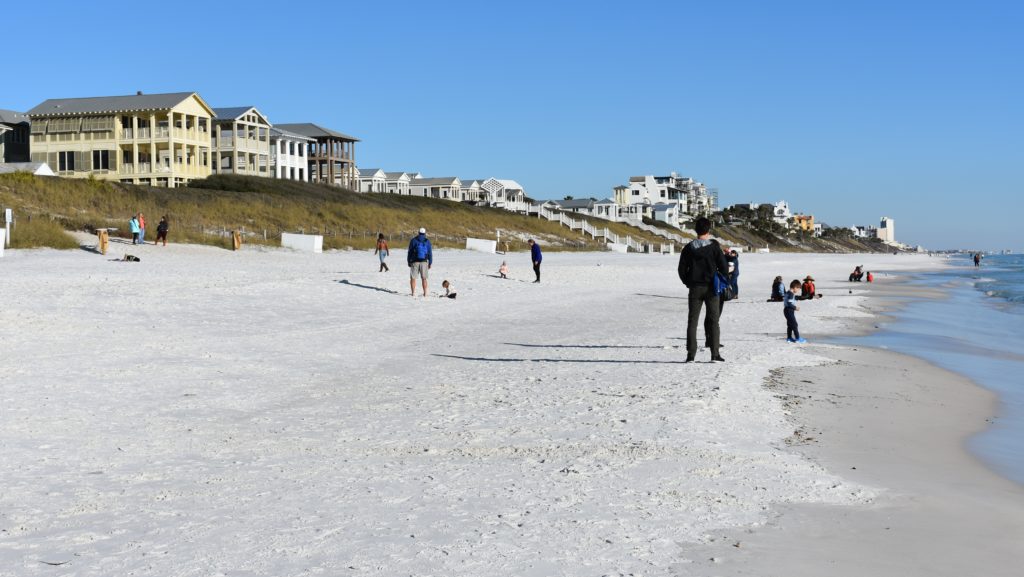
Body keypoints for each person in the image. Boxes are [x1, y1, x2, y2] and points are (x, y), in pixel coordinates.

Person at [678, 216, 728, 363]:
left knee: (692, 321)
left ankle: (691, 355)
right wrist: (722, 279)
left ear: (696, 230)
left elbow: (681, 269)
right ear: (708, 230)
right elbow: (724, 267)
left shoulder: (688, 248)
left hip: (695, 287)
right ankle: (714, 354)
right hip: (712, 287)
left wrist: (688, 282)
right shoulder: (714, 246)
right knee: (714, 321)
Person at [407, 227, 432, 297]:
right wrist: (430, 262)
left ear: (418, 232)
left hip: (415, 261)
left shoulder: (413, 240)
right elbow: (430, 252)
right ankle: (425, 293)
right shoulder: (427, 241)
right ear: (425, 233)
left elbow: (410, 252)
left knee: (413, 278)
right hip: (424, 261)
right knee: (424, 278)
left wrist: (408, 261)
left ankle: (413, 293)